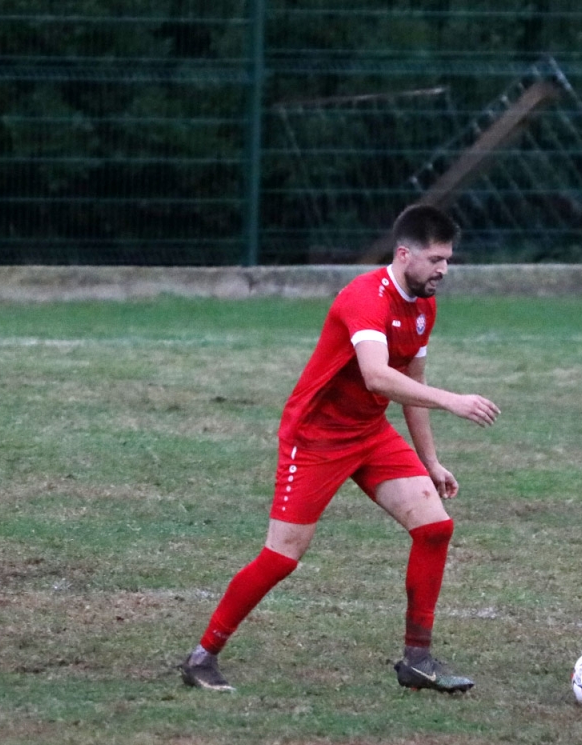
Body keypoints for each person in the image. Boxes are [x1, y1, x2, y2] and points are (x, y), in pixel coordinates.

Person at [180, 204, 500, 693]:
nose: (444, 270)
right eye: (436, 259)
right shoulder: (365, 298)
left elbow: (411, 384)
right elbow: (376, 375)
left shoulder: (423, 305)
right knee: (282, 557)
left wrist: (430, 461)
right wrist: (452, 401)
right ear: (404, 254)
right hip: (316, 438)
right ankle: (202, 657)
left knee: (434, 527)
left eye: (448, 260)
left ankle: (418, 661)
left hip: (369, 433)